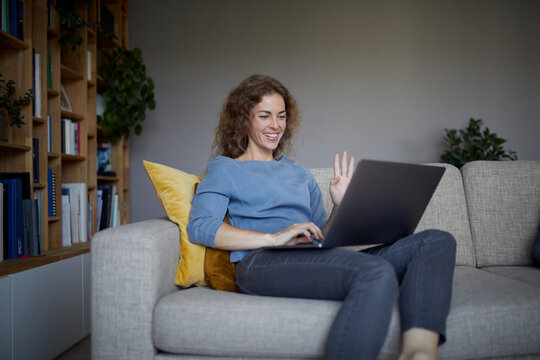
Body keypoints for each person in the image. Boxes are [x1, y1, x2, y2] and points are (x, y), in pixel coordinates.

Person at [187, 74, 456, 360]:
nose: (275, 125)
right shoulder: (225, 169)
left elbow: (323, 237)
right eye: (264, 115)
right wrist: (274, 238)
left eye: (281, 116)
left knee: (436, 241)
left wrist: (341, 207)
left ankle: (419, 353)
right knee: (375, 273)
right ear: (244, 119)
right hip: (260, 262)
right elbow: (200, 227)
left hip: (307, 256)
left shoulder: (300, 174)